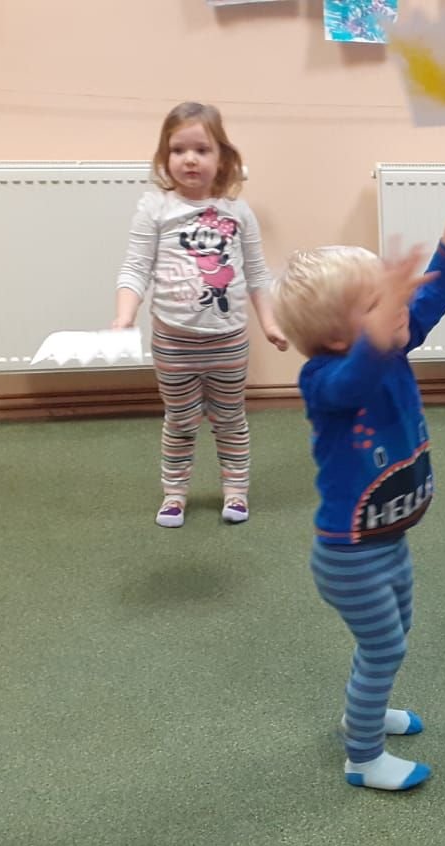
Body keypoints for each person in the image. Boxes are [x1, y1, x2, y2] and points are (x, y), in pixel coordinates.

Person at [272, 176, 445, 791]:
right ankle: (363, 758)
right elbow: (355, 380)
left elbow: (433, 298)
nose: (399, 312)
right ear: (340, 338)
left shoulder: (390, 346)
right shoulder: (326, 380)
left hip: (388, 540)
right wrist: (381, 321)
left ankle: (364, 711)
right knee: (383, 648)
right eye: (379, 304)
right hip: (350, 554)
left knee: (395, 635)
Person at [113, 101, 287, 528]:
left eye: (202, 150)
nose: (189, 159)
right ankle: (174, 494)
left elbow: (257, 274)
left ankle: (236, 490)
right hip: (173, 343)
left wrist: (269, 323)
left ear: (223, 158)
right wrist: (123, 317)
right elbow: (135, 268)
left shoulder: (238, 212)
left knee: (230, 419)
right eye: (178, 150)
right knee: (180, 420)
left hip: (228, 341)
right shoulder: (155, 209)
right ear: (164, 157)